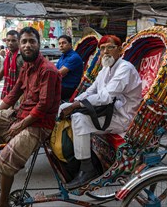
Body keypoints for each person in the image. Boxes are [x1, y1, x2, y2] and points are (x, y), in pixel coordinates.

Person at [0, 27, 61, 207]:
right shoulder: (26, 67)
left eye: (31, 41)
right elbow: (13, 94)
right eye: (24, 41)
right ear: (20, 44)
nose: (27, 45)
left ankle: (3, 201)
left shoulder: (47, 70)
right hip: (21, 115)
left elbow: (44, 105)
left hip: (39, 124)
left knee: (6, 158)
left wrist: (21, 125)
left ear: (38, 45)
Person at [59, 35, 142, 189]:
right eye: (102, 48)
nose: (105, 52)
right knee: (67, 111)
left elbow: (105, 97)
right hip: (108, 112)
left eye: (110, 47)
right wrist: (71, 104)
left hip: (122, 117)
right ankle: (80, 161)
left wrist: (76, 105)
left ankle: (87, 168)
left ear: (120, 49)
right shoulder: (106, 68)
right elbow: (91, 90)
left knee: (79, 118)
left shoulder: (125, 68)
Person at [56, 35, 83, 101]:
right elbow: (56, 70)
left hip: (69, 88)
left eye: (64, 43)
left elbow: (59, 73)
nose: (61, 45)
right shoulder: (63, 56)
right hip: (61, 85)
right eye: (59, 43)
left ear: (70, 45)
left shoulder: (74, 57)